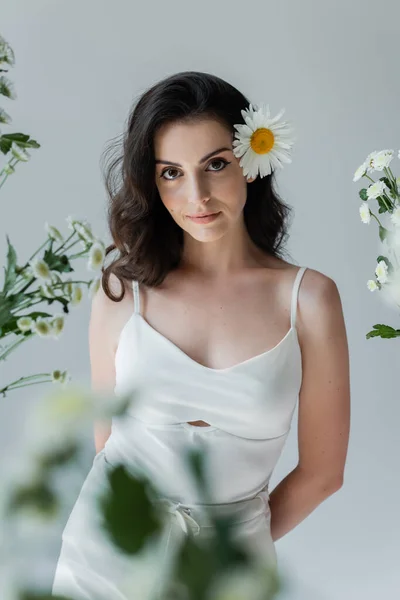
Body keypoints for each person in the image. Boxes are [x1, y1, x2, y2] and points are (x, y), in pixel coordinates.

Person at [52, 71, 350, 599]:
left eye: (215, 165)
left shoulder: (309, 301)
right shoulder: (123, 293)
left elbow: (323, 474)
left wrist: (226, 547)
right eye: (171, 173)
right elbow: (108, 444)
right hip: (104, 560)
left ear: (251, 162)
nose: (197, 195)